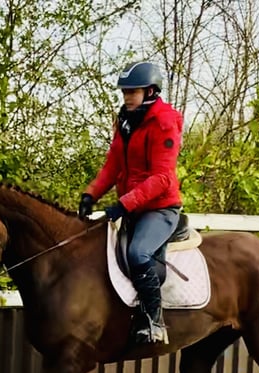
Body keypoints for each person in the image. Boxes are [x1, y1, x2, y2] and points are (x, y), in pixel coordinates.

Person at [78, 61, 184, 345]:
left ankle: (154, 320)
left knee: (138, 254)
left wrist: (123, 205)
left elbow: (162, 177)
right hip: (133, 206)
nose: (126, 97)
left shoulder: (164, 123)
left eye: (132, 92)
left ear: (150, 91)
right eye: (124, 92)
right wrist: (91, 195)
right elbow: (113, 165)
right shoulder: (125, 121)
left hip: (160, 208)